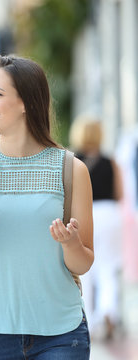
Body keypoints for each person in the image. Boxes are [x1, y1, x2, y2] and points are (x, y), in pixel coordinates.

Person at [0, 55, 94, 359]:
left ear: (26, 102)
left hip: (62, 334)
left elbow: (82, 264)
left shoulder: (71, 169)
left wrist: (70, 243)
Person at [71, 117, 124, 340]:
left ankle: (90, 322)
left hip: (86, 214)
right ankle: (109, 311)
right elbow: (120, 193)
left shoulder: (73, 161)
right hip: (110, 213)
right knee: (108, 267)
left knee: (87, 270)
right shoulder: (110, 161)